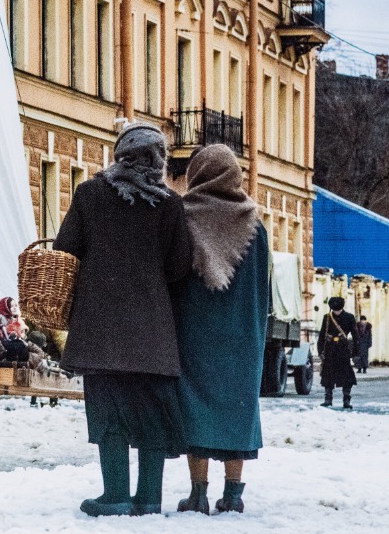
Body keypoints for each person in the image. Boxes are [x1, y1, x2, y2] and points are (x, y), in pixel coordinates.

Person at [53, 122, 192, 517]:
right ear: (158, 158)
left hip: (99, 325)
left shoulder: (90, 194)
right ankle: (148, 498)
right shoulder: (170, 204)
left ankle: (114, 495)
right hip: (152, 328)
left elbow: (66, 250)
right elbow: (180, 266)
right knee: (152, 413)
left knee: (108, 410)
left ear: (120, 155)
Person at [172, 145, 269, 516]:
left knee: (195, 404)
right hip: (243, 335)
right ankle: (233, 495)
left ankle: (197, 494)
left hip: (194, 332)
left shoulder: (185, 218)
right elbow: (262, 285)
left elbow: (175, 275)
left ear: (198, 173)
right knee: (238, 407)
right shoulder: (254, 225)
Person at [318, 296, 358, 409]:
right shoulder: (327, 317)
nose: (336, 311)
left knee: (347, 377)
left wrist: (356, 353)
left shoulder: (349, 317)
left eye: (338, 309)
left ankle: (346, 400)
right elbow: (322, 335)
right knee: (327, 376)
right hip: (330, 350)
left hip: (343, 350)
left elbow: (355, 335)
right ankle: (328, 399)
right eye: (334, 309)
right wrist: (320, 351)